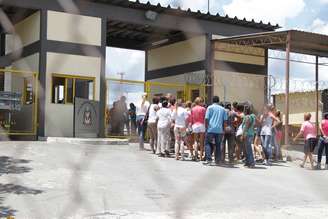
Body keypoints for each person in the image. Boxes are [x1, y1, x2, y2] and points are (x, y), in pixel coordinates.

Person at [203, 96, 227, 165]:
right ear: (218, 101)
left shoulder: (209, 108)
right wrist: (224, 130)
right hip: (219, 130)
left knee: (207, 144)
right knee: (218, 145)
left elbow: (206, 119)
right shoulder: (223, 109)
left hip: (210, 129)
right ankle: (218, 160)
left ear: (212, 101)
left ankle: (209, 160)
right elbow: (225, 121)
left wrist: (206, 128)